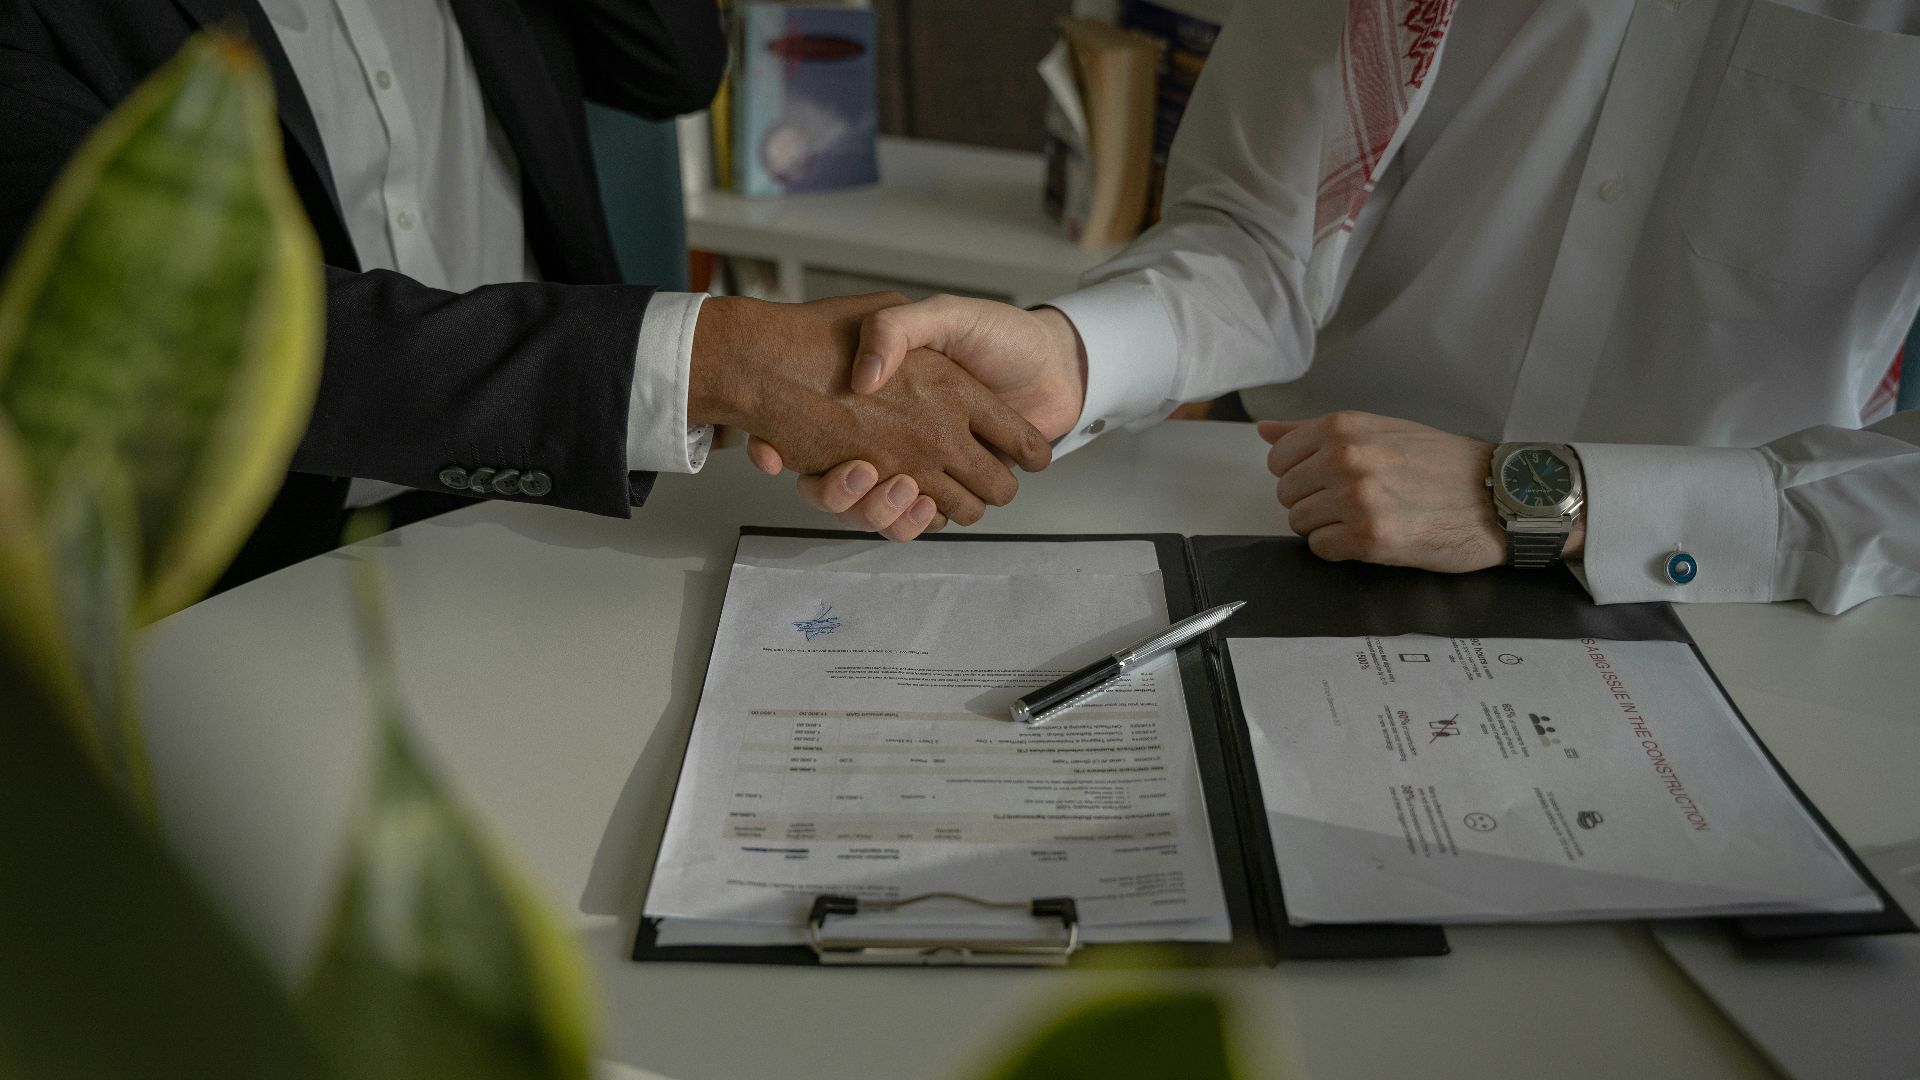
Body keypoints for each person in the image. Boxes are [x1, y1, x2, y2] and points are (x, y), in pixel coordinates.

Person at [762, 0, 1920, 614]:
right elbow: (1260, 239)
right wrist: (1076, 354)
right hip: (1309, 539)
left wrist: (1552, 503)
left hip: (1756, 603)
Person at [0, 0, 1047, 589]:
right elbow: (197, 332)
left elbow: (674, 60)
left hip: (561, 511)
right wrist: (718, 362)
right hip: (242, 583)